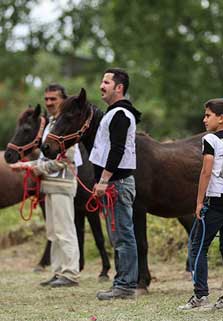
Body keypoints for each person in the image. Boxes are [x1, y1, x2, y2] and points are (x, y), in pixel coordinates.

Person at [11, 84, 82, 287]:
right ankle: (59, 271)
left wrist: (36, 169)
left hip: (62, 183)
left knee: (65, 230)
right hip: (50, 185)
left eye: (54, 99)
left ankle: (70, 273)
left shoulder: (66, 125)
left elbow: (64, 160)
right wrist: (25, 165)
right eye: (47, 99)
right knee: (53, 231)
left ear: (63, 100)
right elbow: (45, 157)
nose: (49, 102)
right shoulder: (51, 124)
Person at [178, 98, 223, 310]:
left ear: (221, 118)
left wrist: (198, 202)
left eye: (208, 115)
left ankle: (200, 295)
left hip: (217, 199)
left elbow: (206, 171)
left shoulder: (210, 140)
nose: (204, 119)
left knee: (197, 246)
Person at [92, 68, 141, 300]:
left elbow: (117, 150)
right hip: (114, 184)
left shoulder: (120, 114)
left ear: (119, 87)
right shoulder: (113, 113)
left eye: (106, 82)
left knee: (123, 235)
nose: (101, 86)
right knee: (118, 235)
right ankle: (121, 283)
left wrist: (103, 179)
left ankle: (126, 286)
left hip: (117, 184)